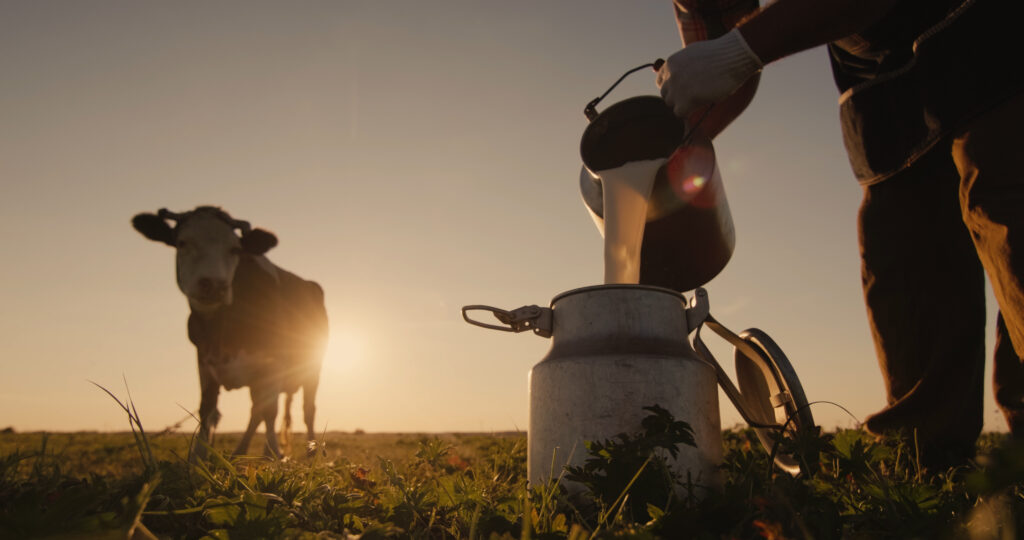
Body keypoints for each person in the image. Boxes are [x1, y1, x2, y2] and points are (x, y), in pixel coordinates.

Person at [656, 0, 1024, 470]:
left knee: (1011, 214)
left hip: (991, 29)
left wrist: (740, 50)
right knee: (908, 261)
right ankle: (925, 466)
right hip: (883, 83)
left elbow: (737, 51)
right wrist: (682, 131)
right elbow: (722, 56)